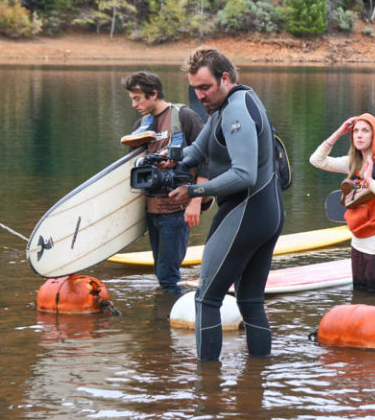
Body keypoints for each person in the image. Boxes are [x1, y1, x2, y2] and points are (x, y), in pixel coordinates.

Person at [166, 47, 285, 360]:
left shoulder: (235, 110)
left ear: (225, 78)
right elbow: (199, 149)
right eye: (195, 89)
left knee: (206, 299)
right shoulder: (226, 105)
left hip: (248, 209)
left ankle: (207, 393)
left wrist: (193, 192)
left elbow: (244, 175)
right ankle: (257, 385)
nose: (200, 96)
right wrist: (172, 160)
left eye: (205, 88)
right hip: (266, 212)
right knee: (249, 301)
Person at [122, 71, 207, 295]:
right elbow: (135, 171)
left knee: (169, 277)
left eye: (137, 98)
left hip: (177, 210)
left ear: (154, 94)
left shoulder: (184, 116)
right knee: (162, 275)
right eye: (132, 99)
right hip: (152, 211)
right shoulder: (140, 125)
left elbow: (208, 160)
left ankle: (181, 322)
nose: (133, 104)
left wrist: (196, 200)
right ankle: (165, 327)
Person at [310, 114, 375, 293]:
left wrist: (369, 181)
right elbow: (316, 160)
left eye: (365, 131)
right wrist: (339, 132)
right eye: (356, 132)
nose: (359, 135)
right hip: (358, 242)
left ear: (374, 135)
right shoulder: (352, 162)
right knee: (359, 296)